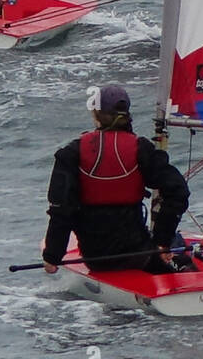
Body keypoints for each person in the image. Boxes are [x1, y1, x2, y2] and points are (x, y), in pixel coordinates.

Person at [43, 83, 191, 275]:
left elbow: (61, 209)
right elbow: (178, 191)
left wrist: (52, 257)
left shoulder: (71, 153)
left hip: (96, 258)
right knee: (180, 252)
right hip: (139, 255)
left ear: (96, 115)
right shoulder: (142, 149)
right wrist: (162, 241)